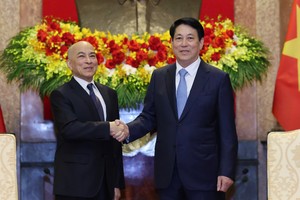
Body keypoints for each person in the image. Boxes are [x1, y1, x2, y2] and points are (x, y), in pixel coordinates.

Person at [115, 17, 238, 200]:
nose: (184, 44)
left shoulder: (218, 79)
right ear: (171, 43)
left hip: (205, 174)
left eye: (190, 38)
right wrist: (126, 130)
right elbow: (149, 117)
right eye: (178, 38)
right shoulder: (159, 76)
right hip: (168, 175)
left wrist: (227, 171)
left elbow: (227, 131)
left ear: (201, 42)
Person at [50, 41, 126, 200]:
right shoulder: (61, 94)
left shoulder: (109, 94)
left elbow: (114, 145)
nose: (89, 61)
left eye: (92, 56)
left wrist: (116, 182)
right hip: (76, 184)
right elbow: (70, 129)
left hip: (106, 183)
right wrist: (108, 128)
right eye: (81, 56)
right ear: (69, 64)